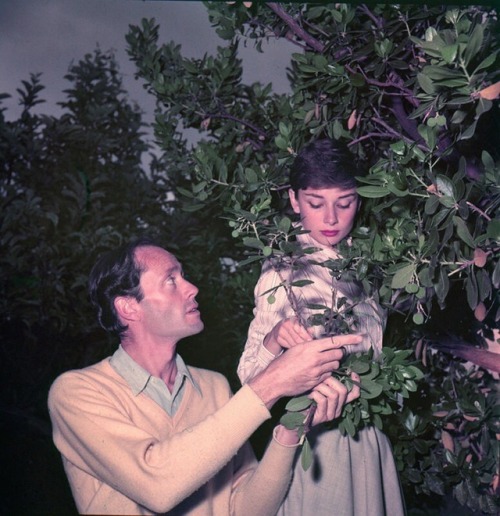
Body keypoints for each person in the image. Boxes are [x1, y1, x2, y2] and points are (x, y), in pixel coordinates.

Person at [48, 237, 362, 515]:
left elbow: (245, 509)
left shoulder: (213, 386)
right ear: (129, 307)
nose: (192, 288)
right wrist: (272, 381)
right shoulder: (78, 392)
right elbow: (157, 485)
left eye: (183, 275)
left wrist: (292, 428)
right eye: (171, 280)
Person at [238, 139, 406, 516]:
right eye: (316, 204)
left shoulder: (367, 265)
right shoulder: (283, 271)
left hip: (368, 439)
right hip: (317, 448)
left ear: (359, 200)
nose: (331, 219)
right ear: (295, 201)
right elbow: (250, 377)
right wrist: (275, 338)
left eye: (344, 203)